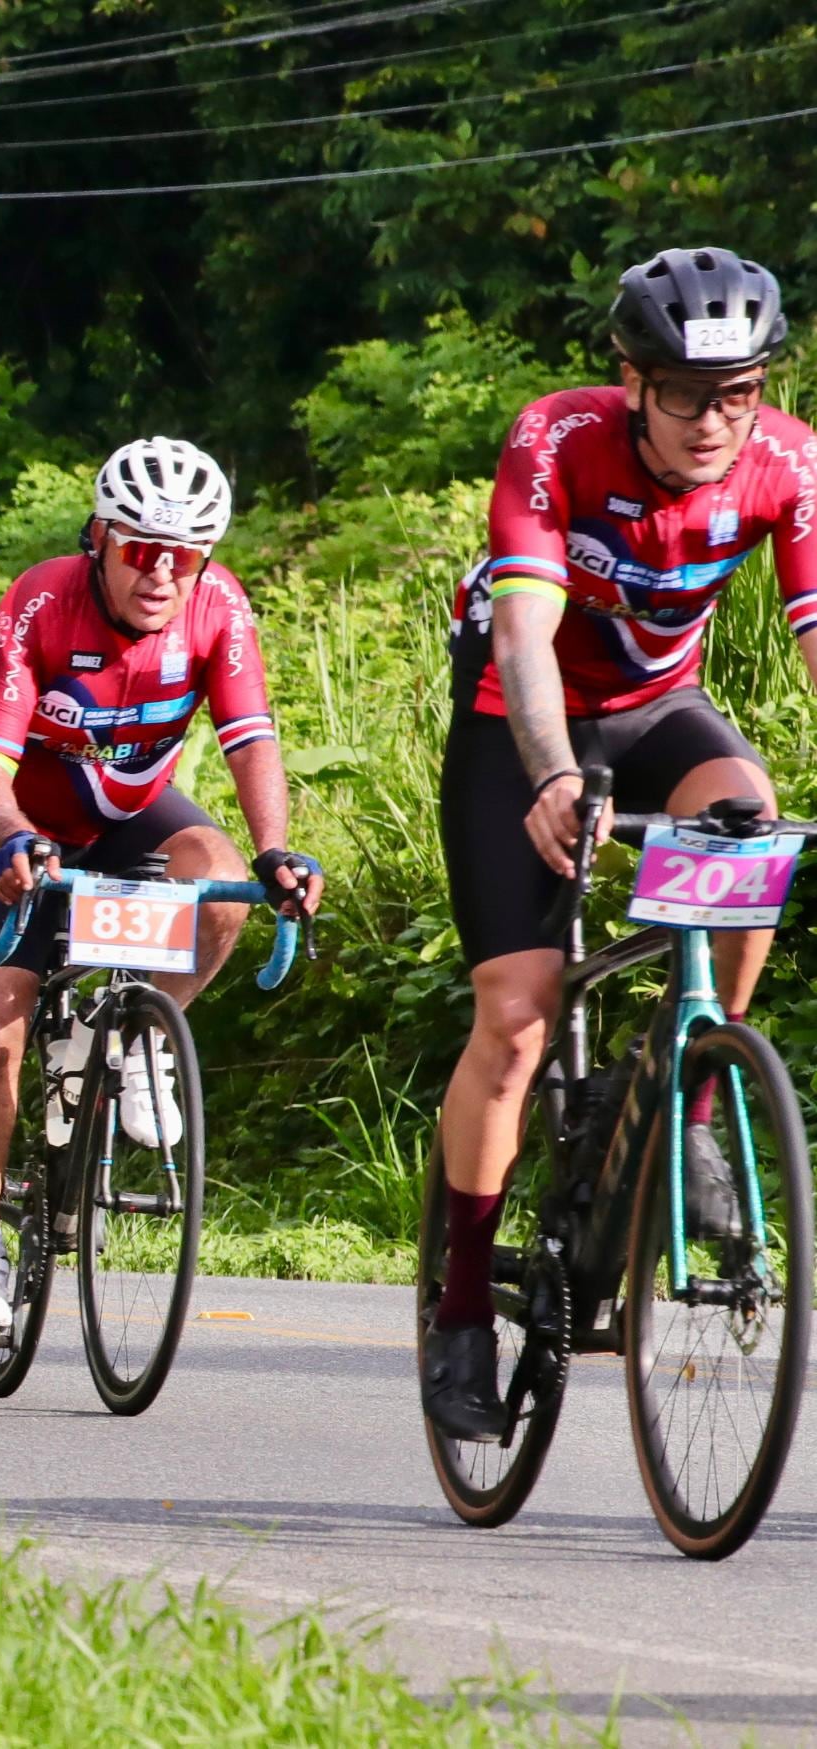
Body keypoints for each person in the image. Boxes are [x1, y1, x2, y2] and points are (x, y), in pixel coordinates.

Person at [425, 246, 815, 1439]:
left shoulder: (788, 461)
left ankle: (690, 1100)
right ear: (633, 382)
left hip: (656, 708)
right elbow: (522, 637)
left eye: (738, 393)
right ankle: (459, 1308)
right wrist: (552, 775)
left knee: (748, 821)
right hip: (518, 719)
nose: (714, 422)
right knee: (518, 1013)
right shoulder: (557, 440)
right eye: (687, 394)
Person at [0, 437, 323, 1334]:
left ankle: (147, 1036)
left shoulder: (218, 606)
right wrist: (13, 838)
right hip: (22, 827)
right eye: (141, 550)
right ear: (99, 538)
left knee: (219, 877)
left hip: (133, 816)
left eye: (183, 557)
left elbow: (249, 738)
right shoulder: (40, 602)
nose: (160, 574)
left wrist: (275, 851)